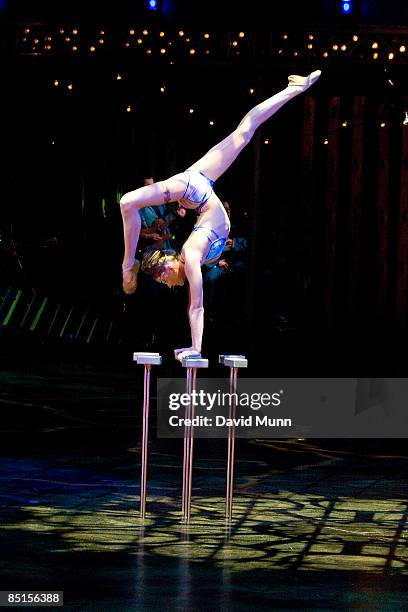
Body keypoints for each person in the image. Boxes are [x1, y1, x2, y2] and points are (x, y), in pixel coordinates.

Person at [120, 71, 321, 361]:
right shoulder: (192, 257)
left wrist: (196, 348)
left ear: (166, 269)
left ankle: (128, 265)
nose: (168, 286)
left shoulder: (189, 256)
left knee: (128, 202)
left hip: (191, 188)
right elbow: (197, 304)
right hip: (201, 183)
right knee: (245, 130)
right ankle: (295, 90)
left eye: (163, 282)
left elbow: (197, 306)